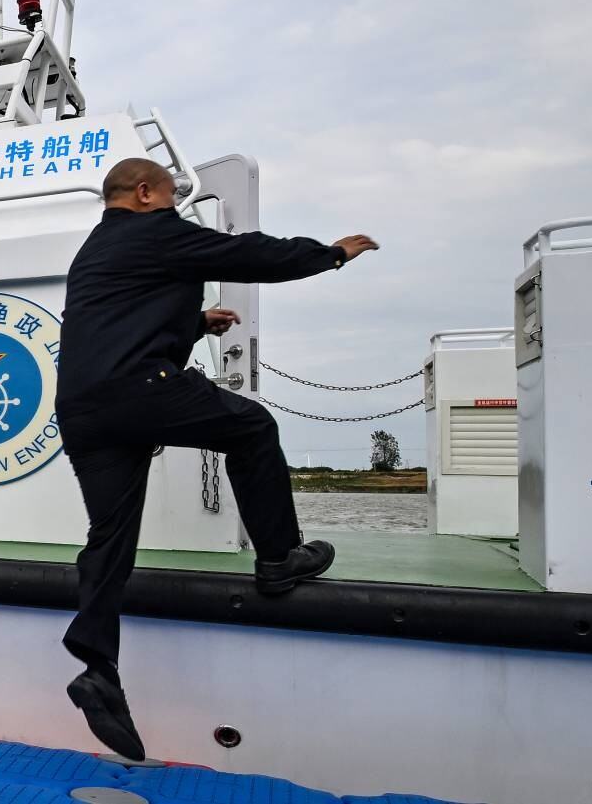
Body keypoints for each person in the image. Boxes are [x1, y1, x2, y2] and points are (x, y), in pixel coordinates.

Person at [56, 159, 378, 761]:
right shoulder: (155, 230)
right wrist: (330, 255)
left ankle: (98, 667)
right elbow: (248, 254)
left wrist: (196, 323)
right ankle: (279, 558)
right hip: (139, 390)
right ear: (145, 192)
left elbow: (122, 319)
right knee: (253, 428)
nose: (175, 205)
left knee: (110, 536)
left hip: (83, 410)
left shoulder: (94, 251)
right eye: (171, 195)